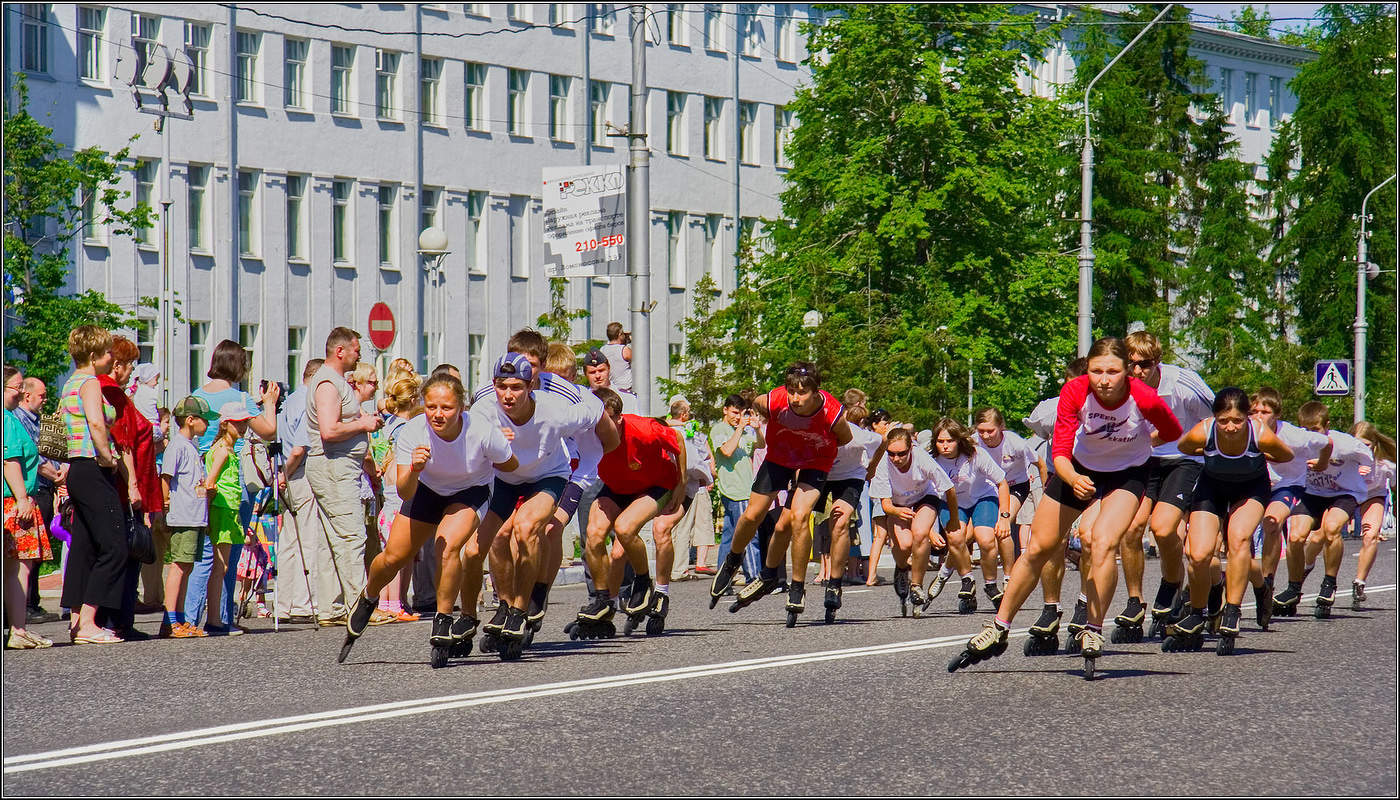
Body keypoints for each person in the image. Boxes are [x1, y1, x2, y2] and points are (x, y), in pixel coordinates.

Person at [950, 337, 1182, 677]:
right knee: (1039, 547)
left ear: (1127, 371)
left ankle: (1093, 629)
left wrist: (1142, 442)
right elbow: (1059, 451)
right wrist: (1073, 478)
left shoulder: (1143, 396)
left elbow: (1173, 430)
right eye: (1097, 371)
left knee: (1102, 543)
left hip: (1127, 474)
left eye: (1113, 372)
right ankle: (999, 628)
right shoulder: (1076, 391)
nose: (1104, 380)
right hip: (1078, 468)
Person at [341, 374, 516, 666]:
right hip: (425, 490)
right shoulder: (414, 431)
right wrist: (414, 468)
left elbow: (511, 466)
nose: (438, 414)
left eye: (446, 408)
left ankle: (443, 618)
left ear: (461, 408)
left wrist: (501, 454)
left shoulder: (481, 431)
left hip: (470, 491)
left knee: (446, 546)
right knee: (393, 558)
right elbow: (404, 491)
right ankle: (369, 596)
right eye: (432, 406)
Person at [470, 353, 618, 655]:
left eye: (516, 387)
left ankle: (524, 606)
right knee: (495, 538)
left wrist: (606, 443)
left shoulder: (556, 410)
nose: (508, 395)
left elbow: (595, 410)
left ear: (530, 386)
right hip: (507, 477)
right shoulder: (484, 408)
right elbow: (462, 438)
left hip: (548, 475)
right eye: (502, 387)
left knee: (530, 529)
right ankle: (504, 606)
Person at [713, 363, 854, 626]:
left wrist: (812, 441)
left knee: (799, 517)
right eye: (791, 391)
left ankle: (797, 587)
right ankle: (733, 559)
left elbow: (845, 438)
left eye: (802, 393)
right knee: (752, 514)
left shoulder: (831, 411)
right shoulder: (773, 401)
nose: (795, 398)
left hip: (814, 462)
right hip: (779, 458)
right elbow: (756, 403)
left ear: (816, 392)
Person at [1167, 388, 1293, 653]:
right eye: (1223, 421)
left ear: (1248, 417)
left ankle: (1232, 610)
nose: (1231, 427)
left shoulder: (1260, 434)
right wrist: (1209, 452)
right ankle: (1197, 613)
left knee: (1239, 539)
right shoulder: (1203, 431)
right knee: (1198, 555)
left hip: (1251, 489)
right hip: (1212, 488)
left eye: (1237, 420)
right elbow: (1183, 446)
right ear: (1214, 418)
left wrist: (1262, 455)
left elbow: (1286, 456)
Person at [1119, 331, 1215, 638]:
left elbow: (1217, 420)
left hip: (1184, 458)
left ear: (1157, 361)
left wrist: (1181, 441)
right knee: (1131, 528)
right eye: (1131, 364)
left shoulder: (1182, 383)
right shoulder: (1120, 384)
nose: (1137, 371)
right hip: (1143, 460)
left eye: (1144, 364)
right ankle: (1135, 601)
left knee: (1162, 528)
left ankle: (1171, 583)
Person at [574, 388, 686, 638]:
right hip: (617, 487)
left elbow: (678, 439)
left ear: (619, 418)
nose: (603, 427)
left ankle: (644, 582)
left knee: (624, 529)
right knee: (593, 534)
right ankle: (603, 600)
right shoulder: (586, 434)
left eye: (609, 420)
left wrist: (682, 482)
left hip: (656, 484)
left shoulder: (643, 429)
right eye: (598, 420)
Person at [186, 340, 280, 629]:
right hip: (231, 477)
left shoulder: (197, 395)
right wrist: (269, 403)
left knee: (204, 552)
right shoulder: (240, 399)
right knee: (230, 552)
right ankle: (222, 618)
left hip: (202, 472)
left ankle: (192, 618)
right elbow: (268, 431)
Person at [305, 328, 382, 628]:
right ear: (340, 351)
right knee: (352, 537)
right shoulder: (327, 384)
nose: (359, 354)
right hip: (334, 468)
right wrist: (363, 424)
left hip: (338, 468)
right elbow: (329, 430)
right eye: (356, 350)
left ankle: (332, 607)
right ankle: (359, 607)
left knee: (334, 539)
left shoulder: (336, 381)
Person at [58, 325, 127, 645]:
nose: (112, 357)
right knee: (114, 544)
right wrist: (107, 457)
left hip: (77, 469)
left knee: (84, 546)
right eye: (107, 351)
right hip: (92, 466)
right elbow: (97, 422)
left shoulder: (70, 383)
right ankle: (88, 620)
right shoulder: (89, 383)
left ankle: (77, 621)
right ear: (93, 355)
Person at [1277, 402, 1374, 618]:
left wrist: (1366, 473)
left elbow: (1367, 455)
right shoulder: (1299, 442)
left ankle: (1329, 583)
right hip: (1313, 492)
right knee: (1295, 536)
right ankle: (1294, 587)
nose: (1312, 435)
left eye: (1316, 429)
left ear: (1326, 426)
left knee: (1331, 528)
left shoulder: (1344, 444)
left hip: (1344, 492)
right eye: (1306, 429)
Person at [1246, 387, 1332, 624]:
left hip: (1287, 485)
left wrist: (1322, 464)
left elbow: (1327, 442)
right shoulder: (1243, 429)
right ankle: (1249, 583)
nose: (1258, 416)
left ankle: (1268, 581)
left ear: (1277, 414)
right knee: (1242, 535)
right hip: (1255, 485)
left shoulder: (1295, 436)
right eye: (1254, 411)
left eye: (1265, 412)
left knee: (1271, 523)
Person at [98, 336, 164, 640]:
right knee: (127, 552)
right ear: (118, 364)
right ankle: (117, 620)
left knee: (128, 552)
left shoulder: (115, 392)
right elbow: (123, 441)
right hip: (125, 485)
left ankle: (118, 619)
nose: (132, 372)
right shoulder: (112, 392)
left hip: (128, 483)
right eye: (130, 365)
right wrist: (134, 487)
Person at [868, 426, 958, 618]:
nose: (896, 459)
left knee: (920, 533)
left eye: (901, 454)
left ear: (911, 448)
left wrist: (954, 519)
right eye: (891, 454)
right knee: (904, 545)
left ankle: (917, 586)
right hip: (897, 504)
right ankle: (901, 568)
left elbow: (949, 489)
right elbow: (885, 505)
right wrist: (897, 511)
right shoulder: (884, 464)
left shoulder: (922, 459)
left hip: (925, 497)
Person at [928, 417, 1011, 614]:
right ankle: (967, 580)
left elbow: (1002, 483)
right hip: (951, 502)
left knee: (986, 539)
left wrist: (1004, 517)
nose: (945, 445)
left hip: (982, 497)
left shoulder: (976, 454)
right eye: (940, 441)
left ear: (959, 440)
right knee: (956, 538)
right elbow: (927, 497)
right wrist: (930, 530)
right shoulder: (931, 461)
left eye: (950, 441)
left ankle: (991, 585)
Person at [819, 404, 886, 619]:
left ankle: (834, 583)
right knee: (796, 519)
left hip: (849, 477)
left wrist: (872, 468)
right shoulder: (816, 432)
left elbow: (882, 441)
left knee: (840, 523)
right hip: (821, 474)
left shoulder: (860, 436)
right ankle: (796, 585)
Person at [4, 365, 54, 649]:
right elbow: (10, 461)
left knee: (14, 568)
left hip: (13, 498)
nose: (21, 392)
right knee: (18, 567)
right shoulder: (7, 420)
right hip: (13, 500)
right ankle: (18, 629)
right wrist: (23, 498)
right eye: (17, 387)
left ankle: (18, 628)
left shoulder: (10, 417)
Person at [276, 358, 327, 623]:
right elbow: (299, 449)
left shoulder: (289, 401)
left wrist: (281, 474)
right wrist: (286, 473)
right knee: (308, 539)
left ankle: (283, 604)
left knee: (288, 542)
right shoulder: (310, 402)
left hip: (286, 474)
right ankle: (304, 603)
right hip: (301, 472)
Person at [13, 375, 64, 624]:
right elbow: (35, 459)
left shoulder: (37, 419)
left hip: (43, 488)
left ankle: (32, 602)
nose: (45, 400)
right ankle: (26, 605)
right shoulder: (19, 419)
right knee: (27, 552)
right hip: (33, 489)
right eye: (41, 395)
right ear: (27, 395)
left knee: (36, 552)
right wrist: (58, 478)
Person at [159, 396, 211, 638]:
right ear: (190, 420)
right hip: (184, 516)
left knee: (187, 567)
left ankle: (180, 619)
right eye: (204, 419)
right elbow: (166, 477)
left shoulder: (191, 445)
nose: (207, 424)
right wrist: (166, 504)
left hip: (195, 516)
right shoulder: (177, 445)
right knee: (179, 567)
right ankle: (171, 622)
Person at [373, 372, 422, 622]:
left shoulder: (388, 425)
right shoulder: (407, 430)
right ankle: (394, 603)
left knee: (388, 555)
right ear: (413, 400)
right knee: (397, 558)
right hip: (398, 502)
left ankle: (387, 602)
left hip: (387, 499)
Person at [201, 403, 253, 636]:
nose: (242, 427)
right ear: (225, 424)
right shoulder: (222, 450)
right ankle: (214, 620)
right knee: (219, 567)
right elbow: (210, 483)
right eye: (237, 423)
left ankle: (216, 618)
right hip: (222, 509)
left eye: (244, 423)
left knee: (222, 566)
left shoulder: (228, 449)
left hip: (228, 509)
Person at [709, 395, 765, 588]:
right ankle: (753, 578)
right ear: (725, 410)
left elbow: (761, 445)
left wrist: (757, 429)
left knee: (730, 536)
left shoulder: (741, 431)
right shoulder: (720, 429)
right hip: (735, 490)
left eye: (741, 413)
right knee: (748, 534)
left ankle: (722, 580)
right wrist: (740, 428)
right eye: (734, 412)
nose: (738, 417)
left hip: (746, 488)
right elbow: (726, 451)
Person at [1349, 422, 1396, 608]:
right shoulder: (1344, 461)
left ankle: (1359, 583)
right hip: (1346, 494)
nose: (1362, 450)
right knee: (1323, 535)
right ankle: (1306, 571)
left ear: (1375, 444)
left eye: (1366, 445)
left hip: (1372, 496)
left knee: (1370, 536)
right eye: (1357, 445)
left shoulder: (1386, 466)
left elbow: (1395, 487)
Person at [583, 348, 639, 413]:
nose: (597, 376)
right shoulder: (582, 399)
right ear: (585, 374)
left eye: (601, 371)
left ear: (609, 368)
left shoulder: (628, 398)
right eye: (592, 372)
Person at [600, 321, 633, 391]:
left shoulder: (602, 349)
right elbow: (639, 361)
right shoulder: (624, 350)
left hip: (610, 388)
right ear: (619, 334)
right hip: (625, 388)